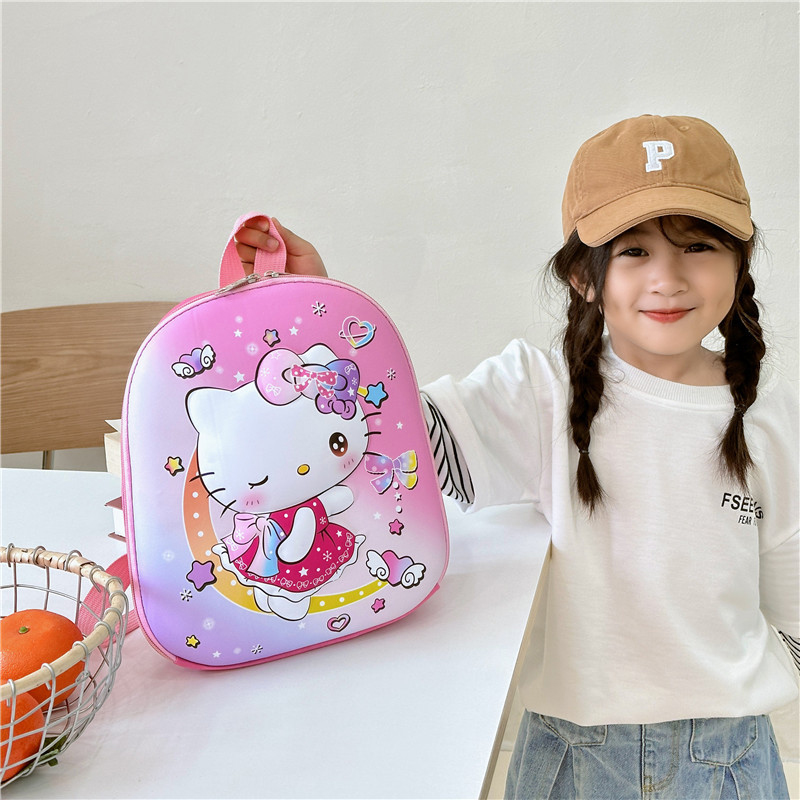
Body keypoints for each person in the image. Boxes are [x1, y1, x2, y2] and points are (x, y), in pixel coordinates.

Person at [235, 115, 799, 799]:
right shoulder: (539, 388)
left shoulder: (771, 413)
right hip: (573, 758)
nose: (668, 278)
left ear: (741, 261)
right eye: (634, 251)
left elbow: (792, 596)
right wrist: (316, 312)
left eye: (699, 246)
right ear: (582, 275)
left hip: (729, 759)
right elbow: (401, 443)